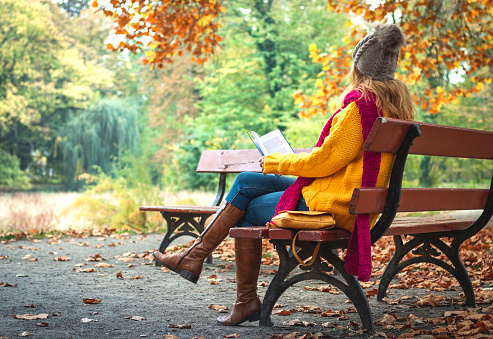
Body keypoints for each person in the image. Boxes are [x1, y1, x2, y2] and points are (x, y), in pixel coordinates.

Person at [154, 23, 415, 326]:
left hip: (335, 205)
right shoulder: (395, 107)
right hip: (354, 199)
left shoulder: (359, 108)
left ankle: (239, 297)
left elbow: (324, 162)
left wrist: (278, 161)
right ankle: (197, 260)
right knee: (246, 181)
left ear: (359, 66)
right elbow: (338, 156)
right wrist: (291, 159)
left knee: (246, 209)